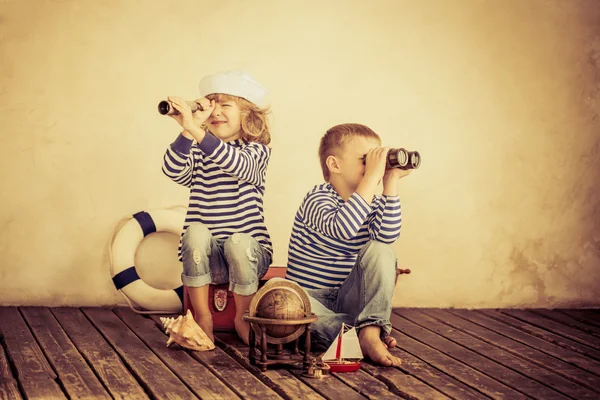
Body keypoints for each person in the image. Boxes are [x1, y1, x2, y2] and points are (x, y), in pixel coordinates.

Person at [286, 123, 412, 366]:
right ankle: (366, 333)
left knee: (382, 249)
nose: (375, 167)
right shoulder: (318, 197)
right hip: (312, 299)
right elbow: (343, 229)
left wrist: (390, 182)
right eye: (367, 160)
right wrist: (372, 177)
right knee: (287, 297)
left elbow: (386, 237)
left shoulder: (373, 203)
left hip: (351, 298)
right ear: (334, 165)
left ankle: (367, 331)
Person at [162, 70, 273, 345]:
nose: (216, 111)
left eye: (226, 105)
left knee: (238, 242)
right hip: (208, 260)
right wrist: (187, 130)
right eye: (211, 104)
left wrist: (197, 132)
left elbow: (235, 163)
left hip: (247, 256)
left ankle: (243, 316)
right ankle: (202, 317)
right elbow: (172, 170)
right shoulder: (199, 148)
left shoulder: (256, 151)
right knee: (195, 232)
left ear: (248, 115)